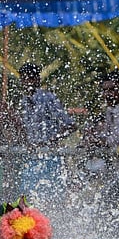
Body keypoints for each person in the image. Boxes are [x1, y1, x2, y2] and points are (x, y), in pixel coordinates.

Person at [16, 62, 76, 204]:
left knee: (52, 198)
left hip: (50, 158)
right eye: (24, 78)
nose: (27, 82)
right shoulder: (24, 101)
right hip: (31, 158)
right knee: (28, 199)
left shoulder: (48, 98)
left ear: (38, 79)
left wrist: (49, 141)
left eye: (30, 78)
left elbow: (71, 125)